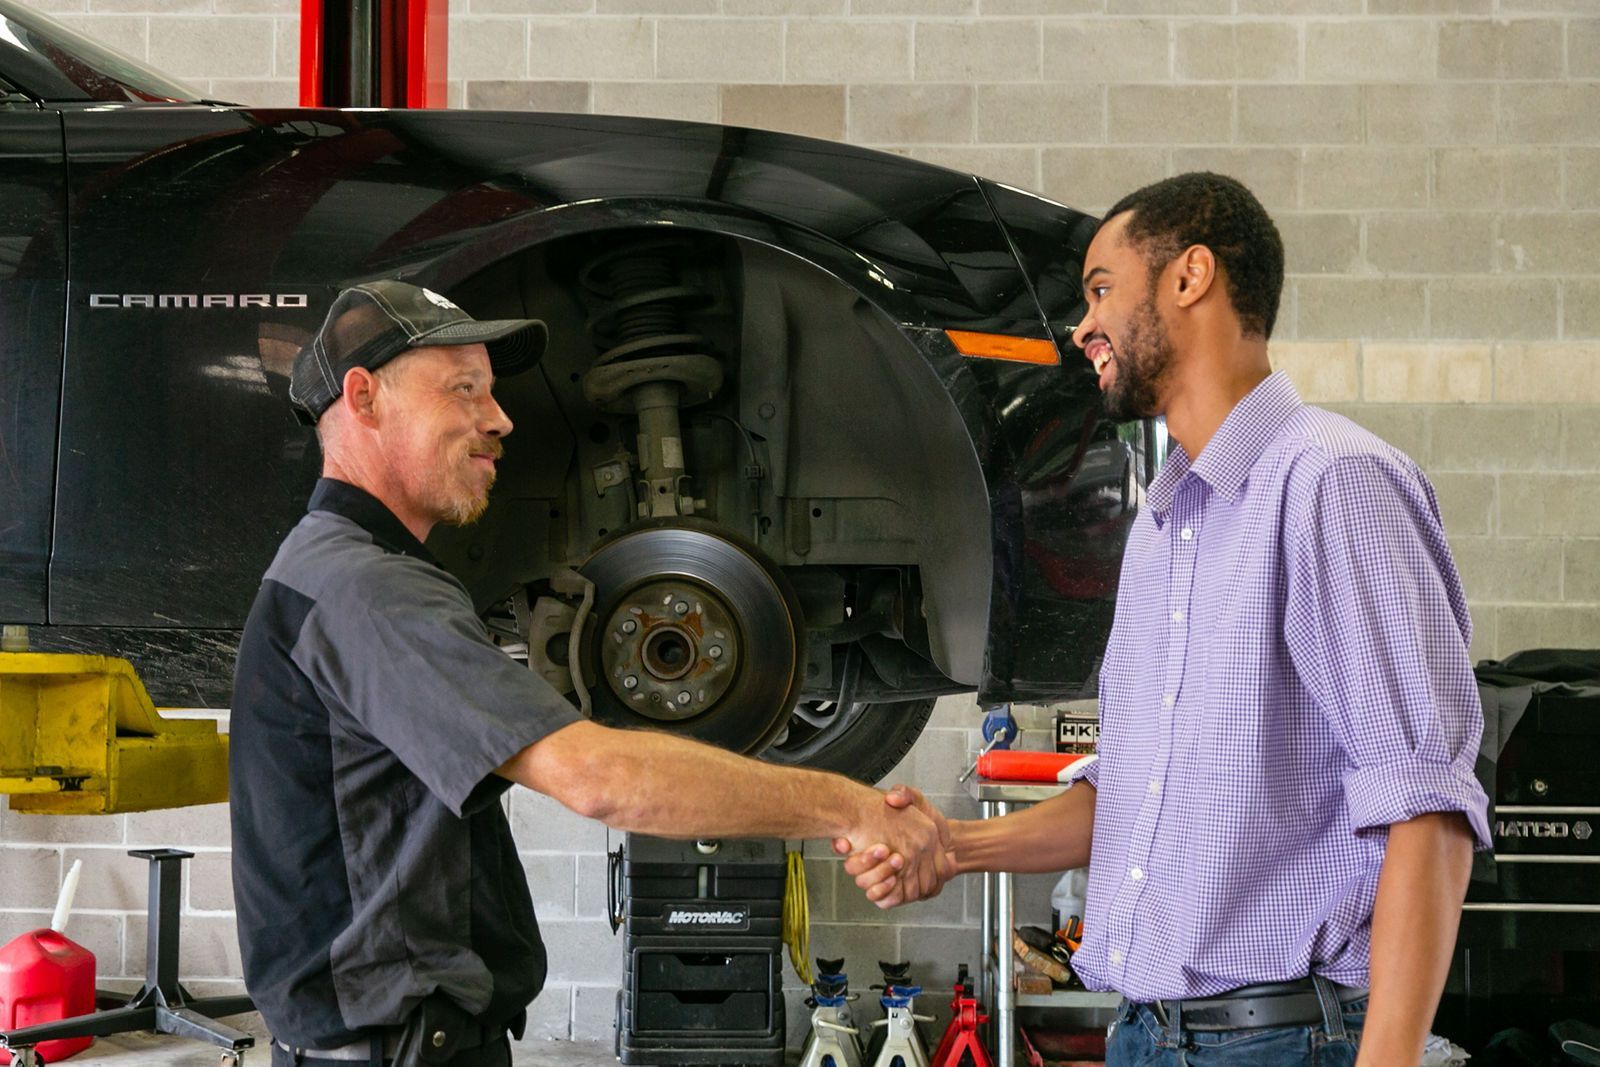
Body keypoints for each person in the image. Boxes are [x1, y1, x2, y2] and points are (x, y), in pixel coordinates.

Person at [844, 173, 1492, 1067]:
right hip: (1146, 1034)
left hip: (1282, 1040)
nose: (1081, 328)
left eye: (1101, 287)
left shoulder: (1331, 482)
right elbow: (1135, 794)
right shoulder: (1162, 525)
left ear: (1190, 277)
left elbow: (1428, 807)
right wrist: (951, 845)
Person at [228, 280, 946, 1067]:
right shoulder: (365, 586)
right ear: (363, 398)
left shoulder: (344, 570)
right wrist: (848, 804)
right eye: (464, 389)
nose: (499, 418)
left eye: (492, 393)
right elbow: (597, 776)